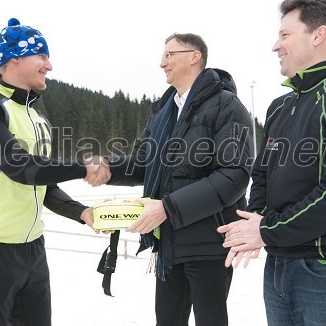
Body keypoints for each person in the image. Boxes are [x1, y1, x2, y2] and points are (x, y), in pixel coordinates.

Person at [217, 0, 326, 325]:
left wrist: (268, 230)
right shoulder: (279, 106)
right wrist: (256, 220)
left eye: (285, 35)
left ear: (318, 35)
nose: (275, 46)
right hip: (278, 266)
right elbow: (262, 173)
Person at [89, 33, 253, 326]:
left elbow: (233, 177)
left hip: (209, 243)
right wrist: (109, 169)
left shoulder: (227, 106)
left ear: (194, 56)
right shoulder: (164, 112)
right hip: (169, 245)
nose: (161, 62)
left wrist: (168, 207)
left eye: (169, 55)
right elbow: (143, 162)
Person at [0, 18, 101, 326]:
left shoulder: (38, 118)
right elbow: (20, 167)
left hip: (32, 251)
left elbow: (43, 185)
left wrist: (83, 212)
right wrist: (83, 167)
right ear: (14, 57)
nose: (50, 66)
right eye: (42, 56)